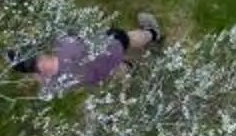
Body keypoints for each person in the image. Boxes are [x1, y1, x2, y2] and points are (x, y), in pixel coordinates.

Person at [9, 14, 160, 99]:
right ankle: (152, 33)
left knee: (108, 70)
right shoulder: (64, 46)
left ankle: (127, 69)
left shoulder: (50, 85)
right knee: (121, 37)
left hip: (96, 76)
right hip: (110, 51)